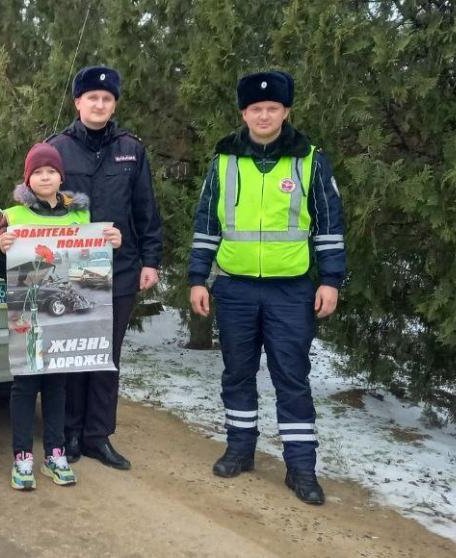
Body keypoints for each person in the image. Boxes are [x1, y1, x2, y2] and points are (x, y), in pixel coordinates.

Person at [187, 71, 346, 505]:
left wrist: (330, 280)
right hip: (234, 288)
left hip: (290, 290)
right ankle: (240, 449)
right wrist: (197, 279)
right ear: (243, 113)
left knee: (292, 377)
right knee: (237, 372)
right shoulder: (224, 160)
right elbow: (206, 225)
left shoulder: (310, 159)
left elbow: (329, 226)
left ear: (286, 111)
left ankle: (301, 469)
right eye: (255, 109)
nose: (263, 115)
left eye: (272, 108)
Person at [47, 66, 163, 470]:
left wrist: (152, 259)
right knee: (75, 353)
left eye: (107, 99)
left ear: (114, 104)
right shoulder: (56, 148)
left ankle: (98, 436)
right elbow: (39, 205)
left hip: (121, 267)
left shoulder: (131, 148)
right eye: (92, 97)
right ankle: (70, 433)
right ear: (77, 102)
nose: (99, 104)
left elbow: (145, 208)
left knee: (106, 356)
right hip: (71, 268)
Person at [0, 142, 122, 490]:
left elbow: (89, 263)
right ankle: (22, 456)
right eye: (38, 172)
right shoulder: (14, 215)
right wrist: (1, 249)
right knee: (24, 386)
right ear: (28, 179)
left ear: (60, 177)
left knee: (57, 385)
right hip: (30, 315)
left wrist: (109, 240)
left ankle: (55, 451)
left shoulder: (79, 215)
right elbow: (0, 268)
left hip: (64, 320)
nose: (45, 177)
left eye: (51, 171)